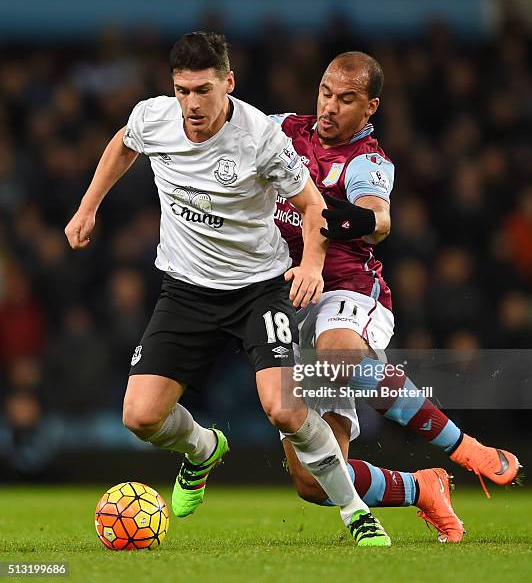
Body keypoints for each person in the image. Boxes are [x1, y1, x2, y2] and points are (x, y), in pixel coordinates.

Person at [65, 33, 392, 547]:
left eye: (202, 90)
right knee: (140, 417)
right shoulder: (155, 117)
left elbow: (312, 206)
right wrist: (88, 207)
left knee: (284, 407)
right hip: (186, 291)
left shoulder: (261, 136)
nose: (191, 104)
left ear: (228, 84)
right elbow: (123, 144)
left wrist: (310, 264)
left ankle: (354, 512)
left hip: (258, 291)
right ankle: (203, 448)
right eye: (182, 90)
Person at [273, 51, 521, 541]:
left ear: (370, 107)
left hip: (346, 293)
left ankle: (463, 446)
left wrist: (353, 219)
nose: (329, 107)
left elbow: (377, 217)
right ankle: (422, 489)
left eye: (346, 100)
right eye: (325, 93)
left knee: (338, 351)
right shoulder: (281, 130)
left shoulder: (368, 161)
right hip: (282, 303)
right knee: (313, 481)